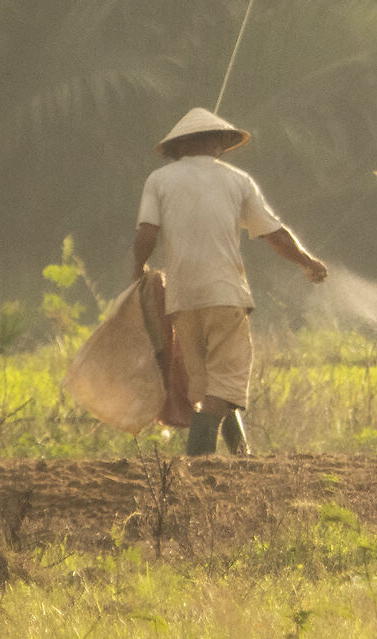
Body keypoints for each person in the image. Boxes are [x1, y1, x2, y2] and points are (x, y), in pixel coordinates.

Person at [133, 107, 328, 455]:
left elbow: (146, 234)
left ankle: (241, 456)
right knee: (224, 387)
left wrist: (137, 271)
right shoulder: (238, 180)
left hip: (182, 300)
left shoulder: (158, 181)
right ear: (217, 144)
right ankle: (199, 463)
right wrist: (307, 262)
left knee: (209, 386)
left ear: (179, 147)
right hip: (225, 295)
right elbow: (274, 234)